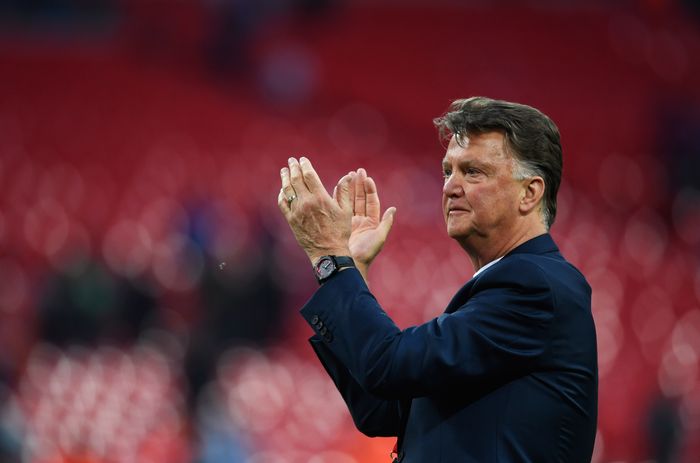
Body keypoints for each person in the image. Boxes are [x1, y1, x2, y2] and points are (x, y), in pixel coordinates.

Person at [277, 96, 597, 462]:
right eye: (448, 171)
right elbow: (383, 409)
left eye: (473, 172)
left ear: (530, 192)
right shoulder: (511, 289)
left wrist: (330, 258)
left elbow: (388, 367)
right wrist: (352, 269)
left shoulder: (535, 287)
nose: (449, 187)